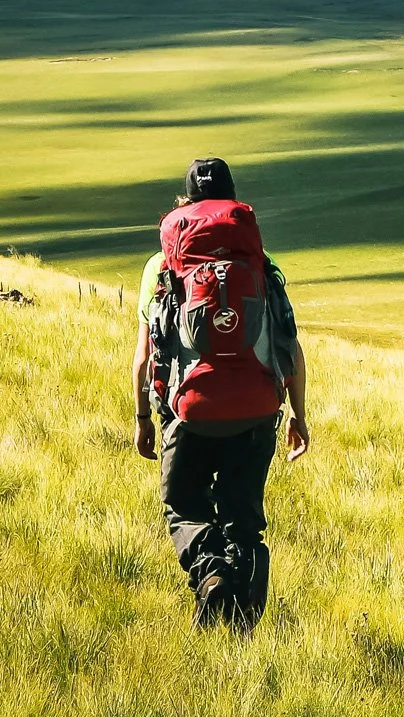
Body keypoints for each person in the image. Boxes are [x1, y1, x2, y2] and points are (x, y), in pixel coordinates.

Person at [132, 157, 309, 628]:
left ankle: (211, 576)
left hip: (188, 411)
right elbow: (289, 344)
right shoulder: (260, 261)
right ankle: (243, 615)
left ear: (186, 203)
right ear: (232, 200)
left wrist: (143, 418)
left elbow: (145, 354)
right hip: (257, 408)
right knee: (242, 515)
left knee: (184, 504)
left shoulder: (161, 265)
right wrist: (298, 414)